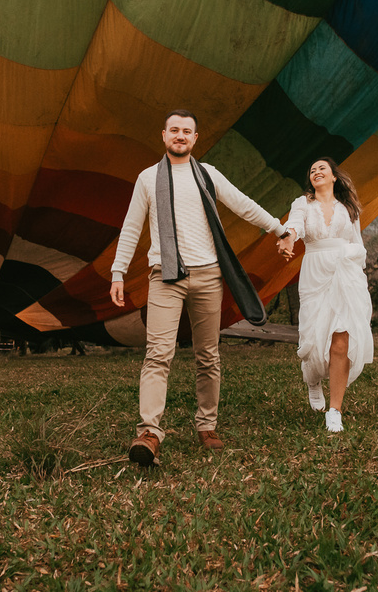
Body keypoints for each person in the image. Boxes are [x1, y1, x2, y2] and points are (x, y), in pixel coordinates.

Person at [111, 110, 291, 466]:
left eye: (187, 131)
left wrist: (279, 229)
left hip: (208, 276)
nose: (180, 136)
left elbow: (242, 204)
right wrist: (118, 271)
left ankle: (206, 425)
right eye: (174, 130)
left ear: (195, 139)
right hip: (165, 276)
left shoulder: (208, 175)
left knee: (208, 355)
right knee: (157, 354)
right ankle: (149, 432)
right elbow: (132, 227)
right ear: (164, 136)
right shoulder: (148, 179)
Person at [277, 157, 374, 432]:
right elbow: (295, 224)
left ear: (334, 177)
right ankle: (312, 380)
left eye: (322, 168)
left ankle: (335, 411)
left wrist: (352, 266)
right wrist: (288, 237)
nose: (317, 172)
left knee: (341, 341)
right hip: (316, 273)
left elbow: (358, 245)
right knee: (312, 338)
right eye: (312, 170)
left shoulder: (348, 209)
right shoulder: (303, 204)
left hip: (346, 275)